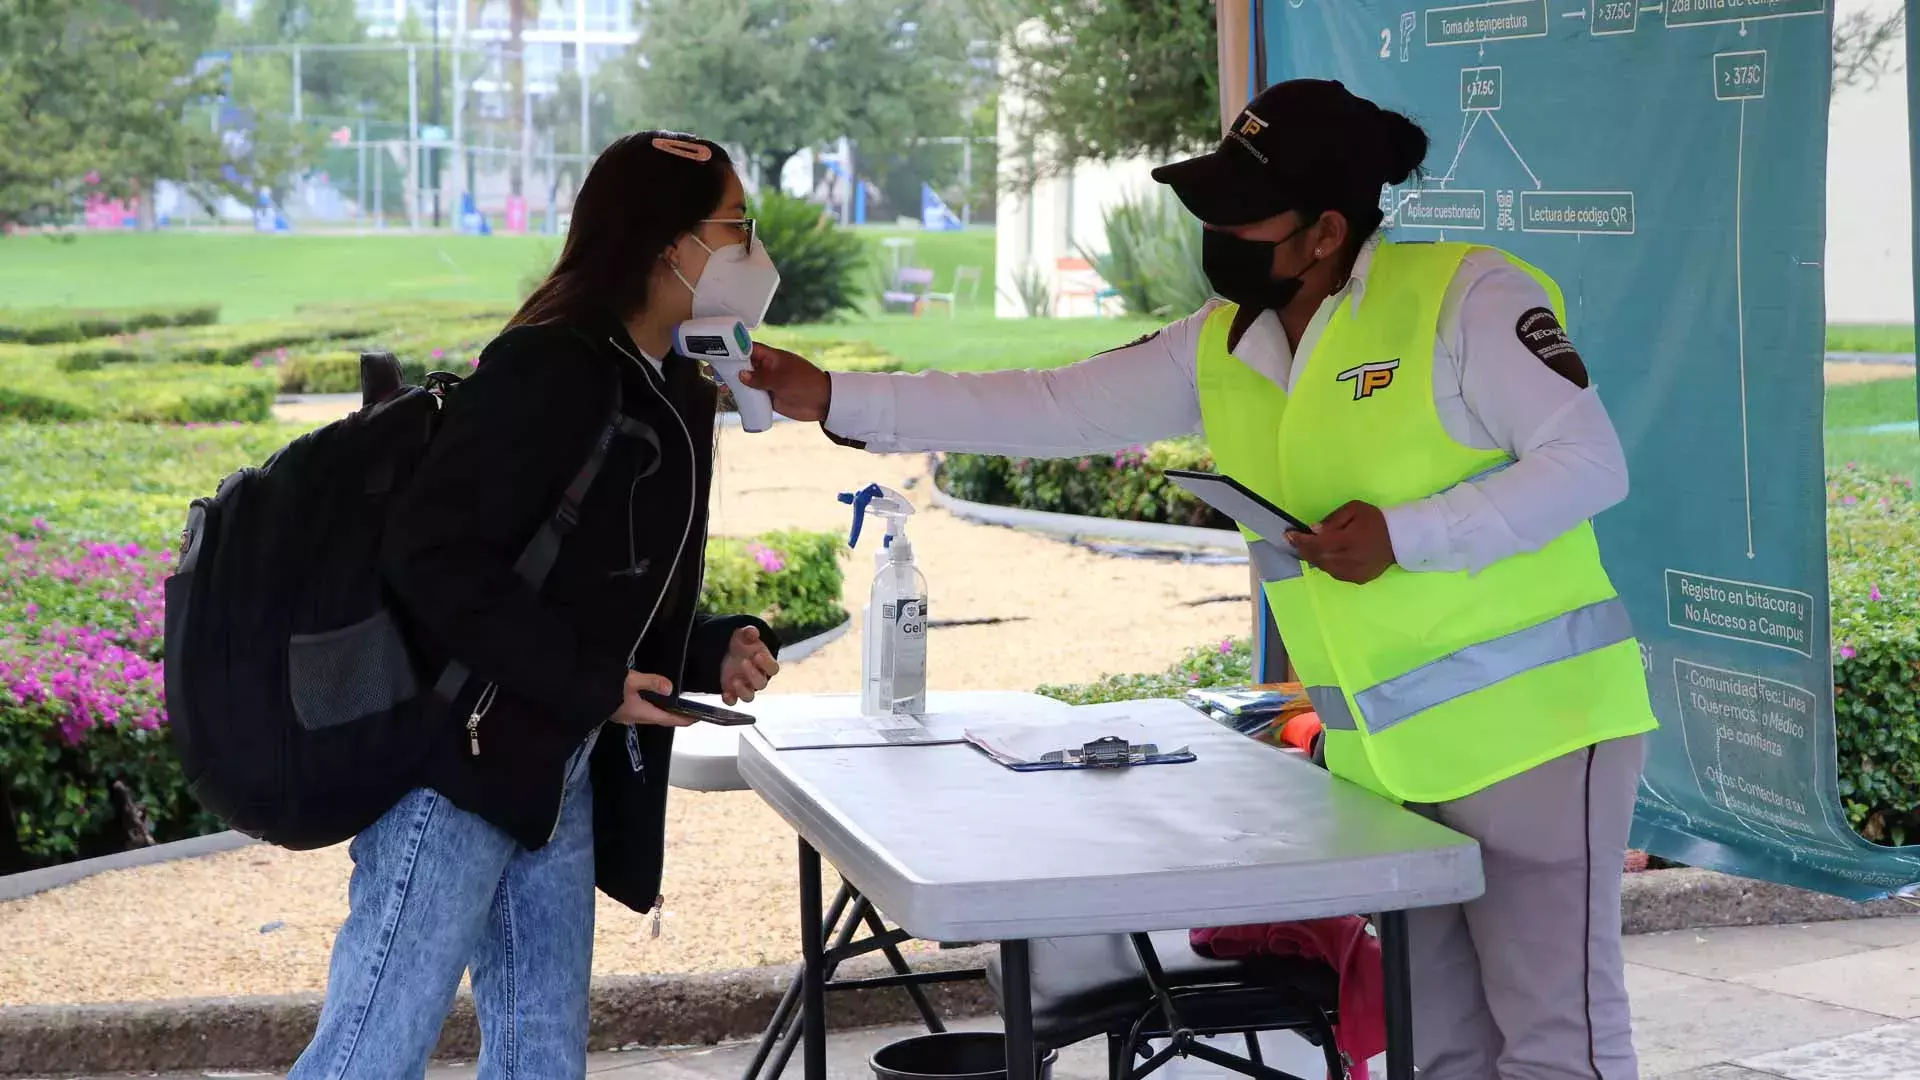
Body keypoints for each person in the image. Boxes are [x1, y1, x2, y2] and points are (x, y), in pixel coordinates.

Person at [746, 79, 1660, 1080]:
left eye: (1242, 212)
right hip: (1392, 758)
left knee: (1556, 1039)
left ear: (1325, 232)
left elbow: (1588, 464)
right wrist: (836, 395)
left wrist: (1410, 534)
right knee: (1438, 1039)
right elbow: (1053, 405)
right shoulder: (1226, 339)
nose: (1216, 230)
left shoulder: (1471, 296)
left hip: (1540, 735)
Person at [290, 132, 785, 1080]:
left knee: (540, 1055)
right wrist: (592, 682)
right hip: (457, 765)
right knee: (368, 1050)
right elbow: (431, 556)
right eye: (736, 225)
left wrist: (707, 646)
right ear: (668, 242)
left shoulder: (669, 378)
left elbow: (591, 579)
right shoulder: (549, 366)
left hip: (553, 759)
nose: (753, 251)